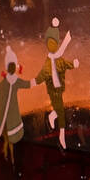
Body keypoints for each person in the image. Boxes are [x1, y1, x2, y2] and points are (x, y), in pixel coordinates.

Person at [35, 20, 79, 149]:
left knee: (59, 110)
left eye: (54, 42)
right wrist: (30, 83)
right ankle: (62, 136)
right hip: (52, 91)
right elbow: (42, 75)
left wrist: (74, 64)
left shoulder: (59, 60)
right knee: (61, 113)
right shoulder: (48, 63)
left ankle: (52, 116)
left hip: (59, 89)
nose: (52, 45)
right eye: (50, 43)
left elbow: (66, 64)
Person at [0, 52, 32, 162]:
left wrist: (36, 81)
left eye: (12, 67)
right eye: (10, 67)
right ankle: (8, 157)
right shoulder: (6, 81)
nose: (11, 69)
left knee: (9, 139)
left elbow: (26, 84)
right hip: (4, 114)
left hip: (10, 115)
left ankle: (9, 157)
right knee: (7, 139)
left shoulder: (15, 81)